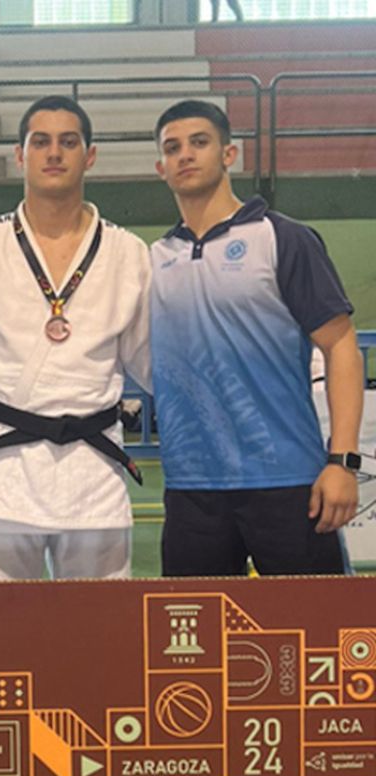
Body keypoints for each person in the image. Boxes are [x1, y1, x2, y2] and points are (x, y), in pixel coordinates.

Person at [0, 96, 152, 581]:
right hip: (6, 467)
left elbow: (154, 361)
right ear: (21, 155)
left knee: (97, 632)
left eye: (68, 142)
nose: (53, 153)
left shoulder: (129, 253)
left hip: (93, 468)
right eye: (41, 142)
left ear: (89, 156)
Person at [149, 99, 359, 576]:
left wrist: (342, 462)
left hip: (289, 482)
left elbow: (341, 346)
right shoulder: (153, 258)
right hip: (192, 489)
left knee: (315, 639)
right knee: (192, 649)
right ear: (160, 167)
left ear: (230, 153)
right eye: (173, 148)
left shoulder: (283, 238)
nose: (186, 155)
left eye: (199, 142)